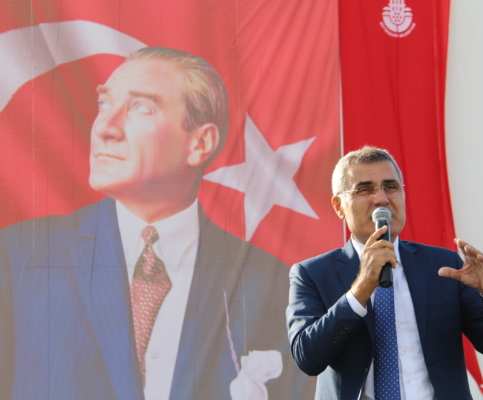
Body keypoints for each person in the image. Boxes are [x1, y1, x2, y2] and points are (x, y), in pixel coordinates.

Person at [0, 47, 314, 400]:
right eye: (104, 103)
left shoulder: (271, 283)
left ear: (200, 143)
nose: (104, 127)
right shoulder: (18, 257)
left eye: (140, 108)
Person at [286, 146, 483, 400]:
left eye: (391, 187)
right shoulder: (312, 274)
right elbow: (307, 358)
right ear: (339, 206)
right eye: (365, 189)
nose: (381, 199)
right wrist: (361, 288)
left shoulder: (443, 265)